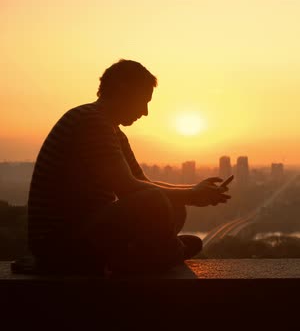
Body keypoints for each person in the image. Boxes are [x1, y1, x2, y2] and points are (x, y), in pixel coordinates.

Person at [26, 59, 230, 274]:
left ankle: (153, 252)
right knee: (156, 200)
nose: (145, 112)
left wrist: (193, 192)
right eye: (144, 101)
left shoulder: (112, 130)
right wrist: (191, 194)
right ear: (123, 89)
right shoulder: (90, 121)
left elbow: (143, 183)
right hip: (61, 244)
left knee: (172, 203)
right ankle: (158, 253)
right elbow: (129, 188)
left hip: (88, 230)